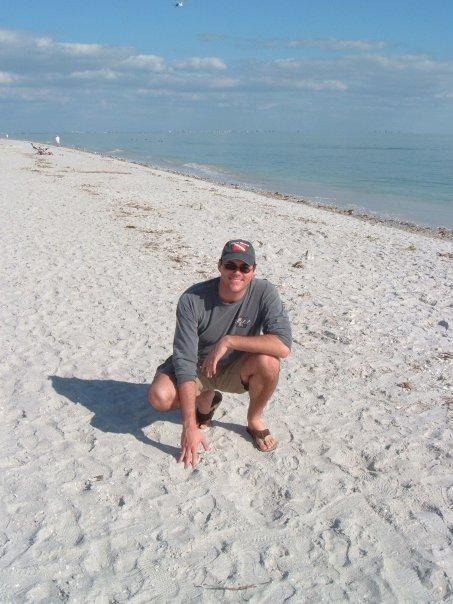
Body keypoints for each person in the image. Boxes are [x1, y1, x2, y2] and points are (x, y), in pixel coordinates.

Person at [148, 239, 292, 468]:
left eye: (244, 267)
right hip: (197, 366)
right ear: (219, 266)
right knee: (158, 396)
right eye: (230, 266)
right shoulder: (192, 299)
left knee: (269, 362)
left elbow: (283, 345)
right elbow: (184, 360)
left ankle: (254, 419)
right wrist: (189, 425)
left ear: (253, 270)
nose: (237, 273)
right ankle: (206, 399)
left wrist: (229, 341)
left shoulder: (265, 292)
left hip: (236, 368)